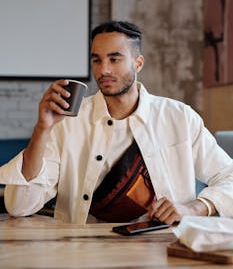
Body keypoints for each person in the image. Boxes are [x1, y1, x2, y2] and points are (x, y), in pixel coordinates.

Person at [1, 20, 233, 225]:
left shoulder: (179, 117)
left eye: (114, 58)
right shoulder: (68, 122)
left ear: (138, 63)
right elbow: (20, 206)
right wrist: (42, 128)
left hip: (163, 249)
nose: (104, 70)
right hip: (80, 252)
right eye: (97, 60)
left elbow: (229, 177)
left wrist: (195, 207)